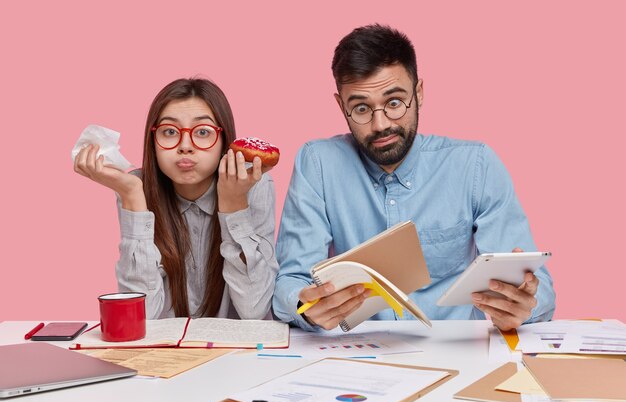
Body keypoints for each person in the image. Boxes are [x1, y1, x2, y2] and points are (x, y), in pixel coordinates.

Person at [273, 24, 555, 332]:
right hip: (358, 355)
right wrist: (306, 307)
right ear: (341, 106)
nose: (380, 124)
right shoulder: (318, 164)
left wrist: (523, 305)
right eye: (361, 108)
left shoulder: (475, 166)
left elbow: (539, 292)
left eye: (394, 103)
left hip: (459, 356)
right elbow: (290, 282)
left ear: (418, 94)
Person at [74, 78, 278, 319]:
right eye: (170, 132)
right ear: (153, 140)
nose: (185, 146)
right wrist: (131, 198)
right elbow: (141, 316)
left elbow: (255, 310)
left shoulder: (253, 185)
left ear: (225, 140)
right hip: (165, 353)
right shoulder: (135, 189)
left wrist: (234, 205)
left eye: (203, 132)